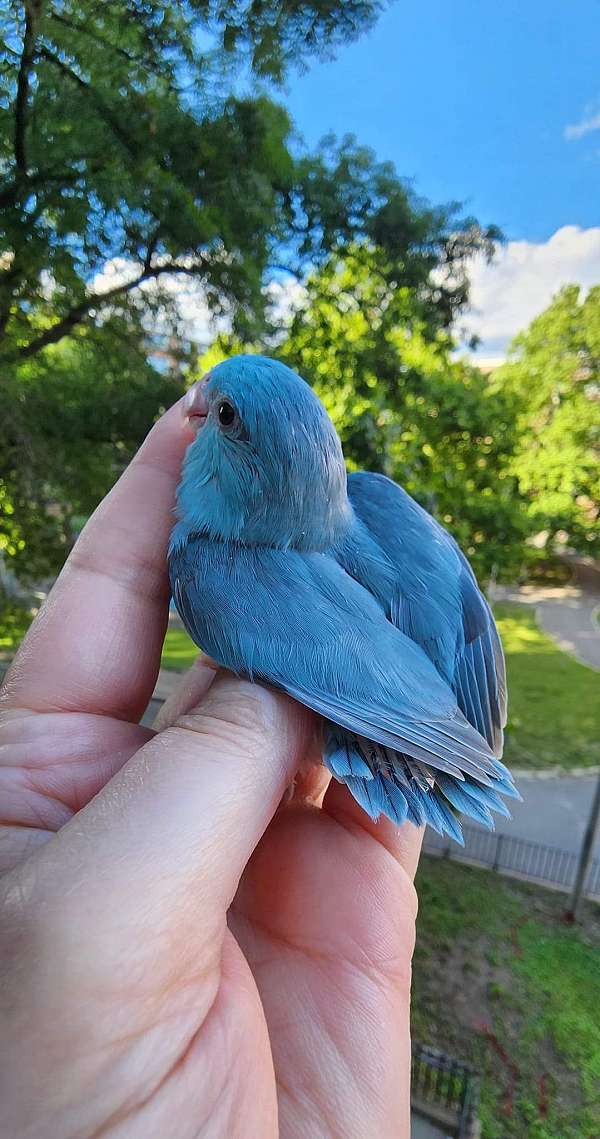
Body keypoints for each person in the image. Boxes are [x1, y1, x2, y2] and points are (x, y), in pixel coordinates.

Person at [0, 398, 421, 1138]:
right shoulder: (309, 528)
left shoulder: (205, 566)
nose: (197, 409)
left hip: (366, 728)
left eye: (218, 412)